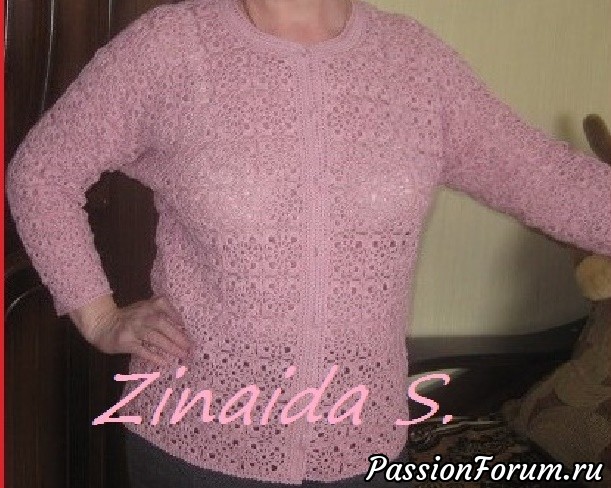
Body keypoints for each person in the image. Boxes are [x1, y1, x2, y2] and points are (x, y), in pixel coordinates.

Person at [6, 0, 611, 486]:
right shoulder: (171, 48)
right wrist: (99, 317)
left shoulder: (415, 64)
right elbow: (42, 174)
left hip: (359, 446)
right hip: (195, 442)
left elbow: (546, 179)